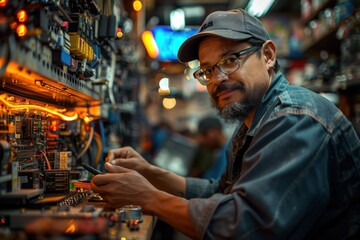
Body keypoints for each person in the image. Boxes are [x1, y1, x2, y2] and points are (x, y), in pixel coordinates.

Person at [91, 8, 360, 239]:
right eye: (207, 70)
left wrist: (148, 198)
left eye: (230, 60)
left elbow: (246, 226)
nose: (217, 78)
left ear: (267, 56)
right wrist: (151, 173)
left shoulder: (295, 118)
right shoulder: (254, 122)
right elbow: (220, 192)